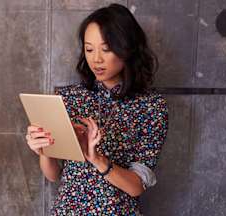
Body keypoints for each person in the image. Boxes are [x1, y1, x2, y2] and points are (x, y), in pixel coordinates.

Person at [25, 3, 168, 215]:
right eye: (89, 49)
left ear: (127, 48)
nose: (96, 59)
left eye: (106, 49)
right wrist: (44, 150)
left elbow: (136, 186)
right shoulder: (69, 98)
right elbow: (54, 175)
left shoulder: (151, 106)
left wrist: (98, 159)